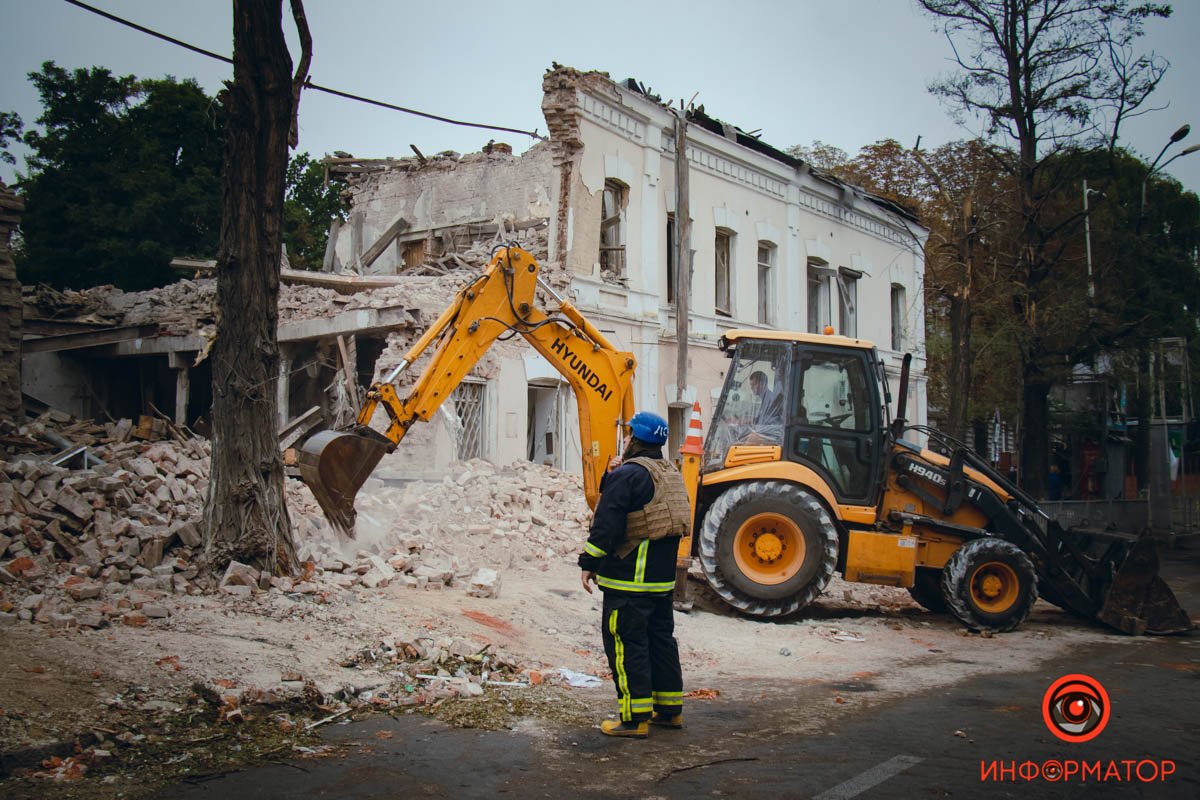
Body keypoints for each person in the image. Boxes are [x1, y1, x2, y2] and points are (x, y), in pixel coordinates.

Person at [578, 410, 689, 738]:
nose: (625, 440)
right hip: (661, 582)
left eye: (628, 436)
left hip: (630, 580)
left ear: (635, 440)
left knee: (627, 644)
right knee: (660, 641)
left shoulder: (628, 475)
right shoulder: (669, 472)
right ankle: (669, 711)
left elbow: (607, 523)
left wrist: (589, 562)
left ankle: (634, 718)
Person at [744, 370, 784, 444]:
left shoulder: (770, 399)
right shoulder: (764, 398)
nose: (751, 388)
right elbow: (760, 419)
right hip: (766, 431)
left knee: (751, 439)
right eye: (751, 385)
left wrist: (755, 428)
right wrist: (743, 421)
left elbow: (771, 423)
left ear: (762, 383)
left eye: (754, 384)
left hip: (773, 433)